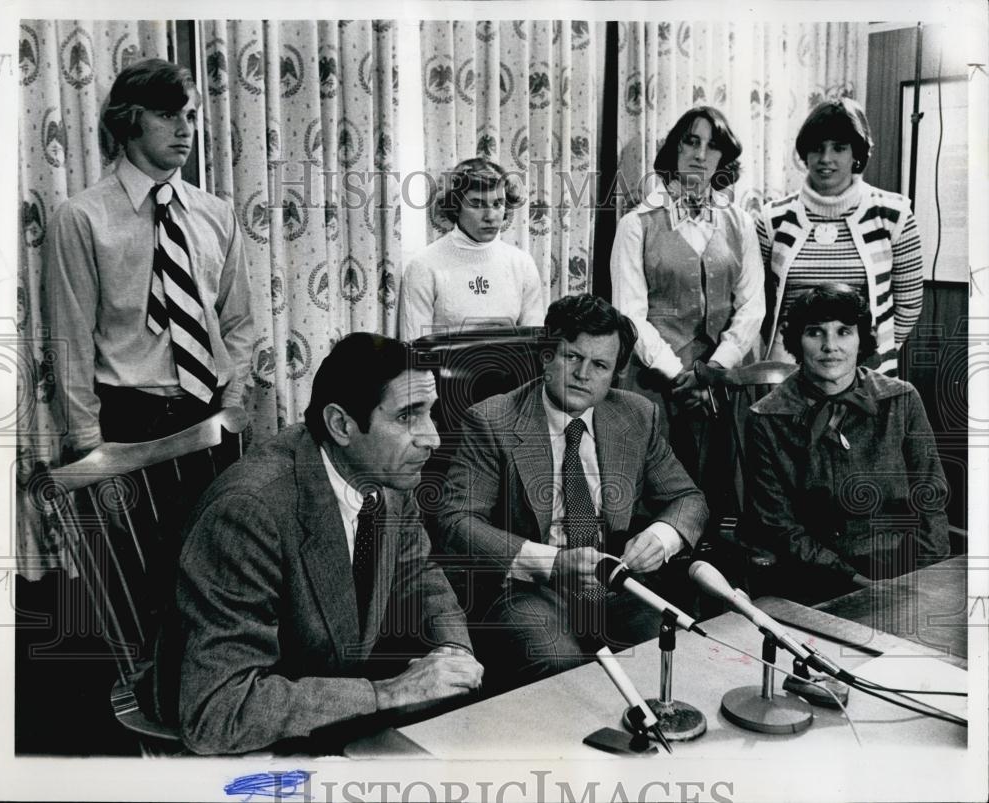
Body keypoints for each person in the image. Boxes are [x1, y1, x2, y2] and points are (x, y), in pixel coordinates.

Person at [161, 333, 483, 754]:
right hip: (253, 738)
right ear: (341, 425)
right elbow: (217, 711)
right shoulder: (248, 513)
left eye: (430, 413)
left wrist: (453, 650)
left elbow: (418, 572)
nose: (432, 438)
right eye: (407, 417)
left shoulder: (387, 474)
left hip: (327, 699)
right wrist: (387, 693)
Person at [437, 294, 708, 689]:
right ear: (547, 357)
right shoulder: (492, 419)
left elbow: (690, 500)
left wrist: (661, 538)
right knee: (562, 668)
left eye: (600, 365)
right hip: (528, 589)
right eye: (571, 357)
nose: (583, 374)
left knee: (666, 658)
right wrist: (550, 562)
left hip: (614, 583)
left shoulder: (636, 414)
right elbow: (455, 521)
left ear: (615, 374)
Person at [43, 58, 254, 458]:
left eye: (190, 116)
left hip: (212, 413)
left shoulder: (217, 214)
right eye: (168, 115)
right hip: (127, 419)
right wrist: (89, 444)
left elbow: (238, 320)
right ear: (131, 120)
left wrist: (232, 400)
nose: (185, 129)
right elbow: (69, 337)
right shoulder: (82, 217)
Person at [746, 284, 949, 604]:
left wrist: (923, 578)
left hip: (905, 569)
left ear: (861, 340)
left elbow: (931, 499)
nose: (830, 346)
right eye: (815, 332)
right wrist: (855, 581)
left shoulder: (902, 399)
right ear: (797, 340)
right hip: (817, 573)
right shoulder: (767, 419)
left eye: (844, 331)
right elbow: (780, 527)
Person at [610, 106, 764, 484]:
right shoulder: (636, 224)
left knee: (723, 486)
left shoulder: (741, 222)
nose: (699, 155)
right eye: (691, 142)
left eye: (712, 147)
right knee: (658, 487)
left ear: (723, 158)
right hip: (656, 380)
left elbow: (751, 305)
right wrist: (679, 376)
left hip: (724, 379)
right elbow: (629, 313)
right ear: (674, 150)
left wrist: (715, 369)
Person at [757, 97, 924, 377]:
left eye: (839, 148)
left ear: (856, 154)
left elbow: (909, 302)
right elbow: (758, 302)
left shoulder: (894, 214)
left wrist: (866, 352)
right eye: (817, 148)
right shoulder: (772, 218)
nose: (825, 159)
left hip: (865, 372)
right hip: (788, 373)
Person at [397, 157, 545, 342]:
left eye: (497, 203)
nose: (490, 216)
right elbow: (415, 351)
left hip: (512, 369)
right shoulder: (424, 266)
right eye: (476, 204)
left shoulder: (522, 264)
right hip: (441, 370)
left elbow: (534, 342)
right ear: (457, 207)